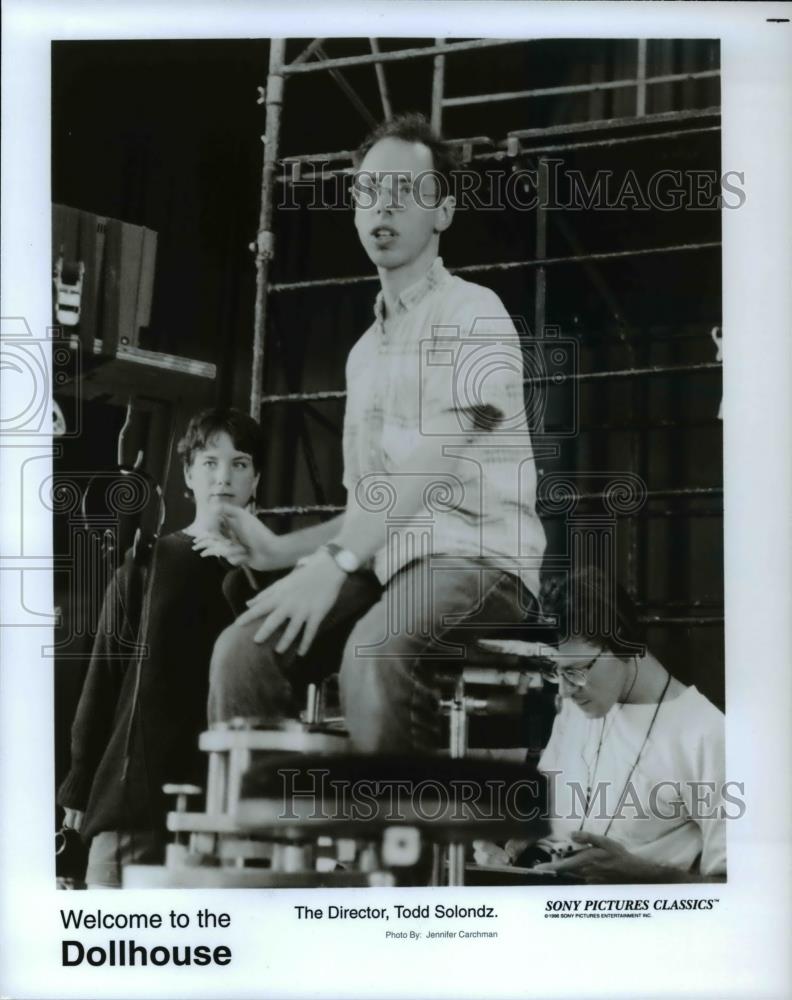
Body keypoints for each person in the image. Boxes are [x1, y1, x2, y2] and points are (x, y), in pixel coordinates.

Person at [195, 113, 547, 752]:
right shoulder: (363, 354)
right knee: (242, 652)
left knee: (373, 651)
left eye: (405, 192)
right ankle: (269, 843)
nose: (382, 208)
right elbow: (373, 508)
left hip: (479, 561)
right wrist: (277, 553)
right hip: (390, 564)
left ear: (443, 212)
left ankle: (394, 849)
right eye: (367, 193)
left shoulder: (474, 313)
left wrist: (336, 561)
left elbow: (432, 465)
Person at [57, 407, 266, 887]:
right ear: (189, 474)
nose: (224, 476)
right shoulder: (148, 562)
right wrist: (79, 784)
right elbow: (103, 677)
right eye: (210, 462)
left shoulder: (275, 579)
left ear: (256, 478)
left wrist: (251, 572)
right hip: (136, 803)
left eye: (239, 463)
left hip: (233, 813)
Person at [474, 567, 727, 883]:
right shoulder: (577, 707)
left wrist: (638, 874)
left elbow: (733, 893)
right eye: (556, 672)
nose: (565, 691)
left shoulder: (710, 736)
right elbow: (548, 813)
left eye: (576, 671)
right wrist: (509, 842)